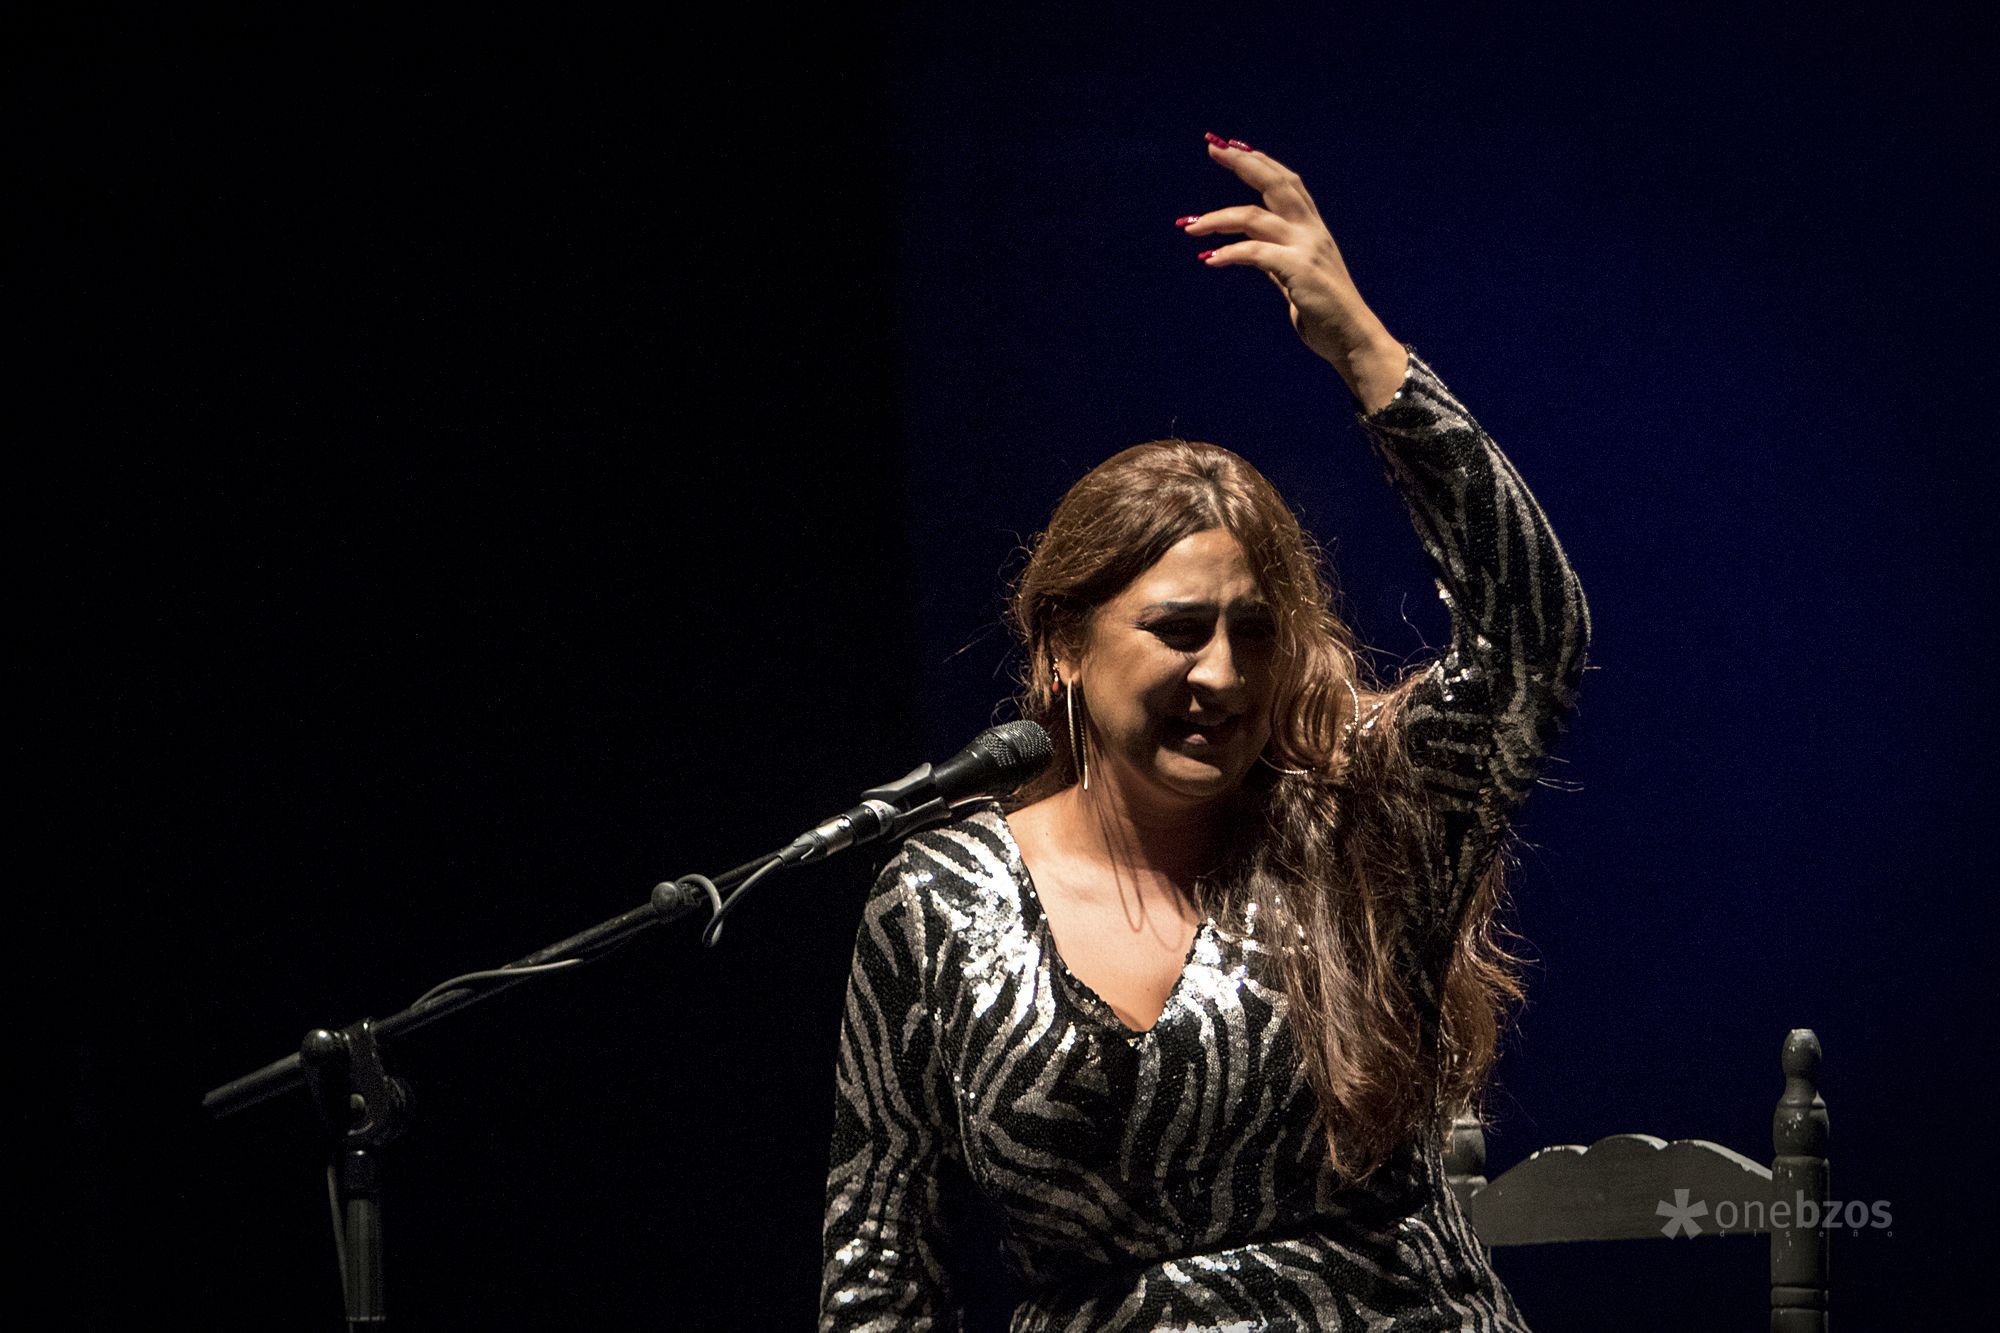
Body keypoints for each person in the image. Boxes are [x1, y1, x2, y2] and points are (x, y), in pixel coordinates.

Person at [819, 132, 1591, 1332]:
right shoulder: (934, 902)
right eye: (1178, 629)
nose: (1222, 673)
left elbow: (1531, 638)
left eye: (1253, 629)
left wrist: (1363, 350)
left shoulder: (1359, 824)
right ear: (1062, 646)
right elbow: (878, 1264)